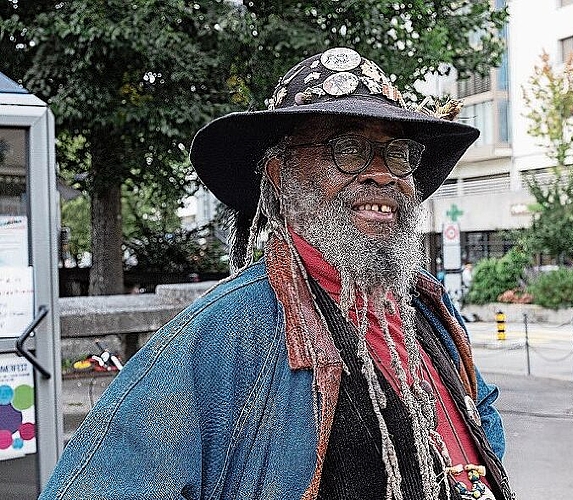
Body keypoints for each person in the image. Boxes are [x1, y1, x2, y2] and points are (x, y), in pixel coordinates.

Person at [41, 48, 513, 500]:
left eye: (397, 154)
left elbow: (479, 410)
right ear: (279, 175)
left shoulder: (426, 308)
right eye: (348, 149)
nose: (382, 175)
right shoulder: (226, 332)